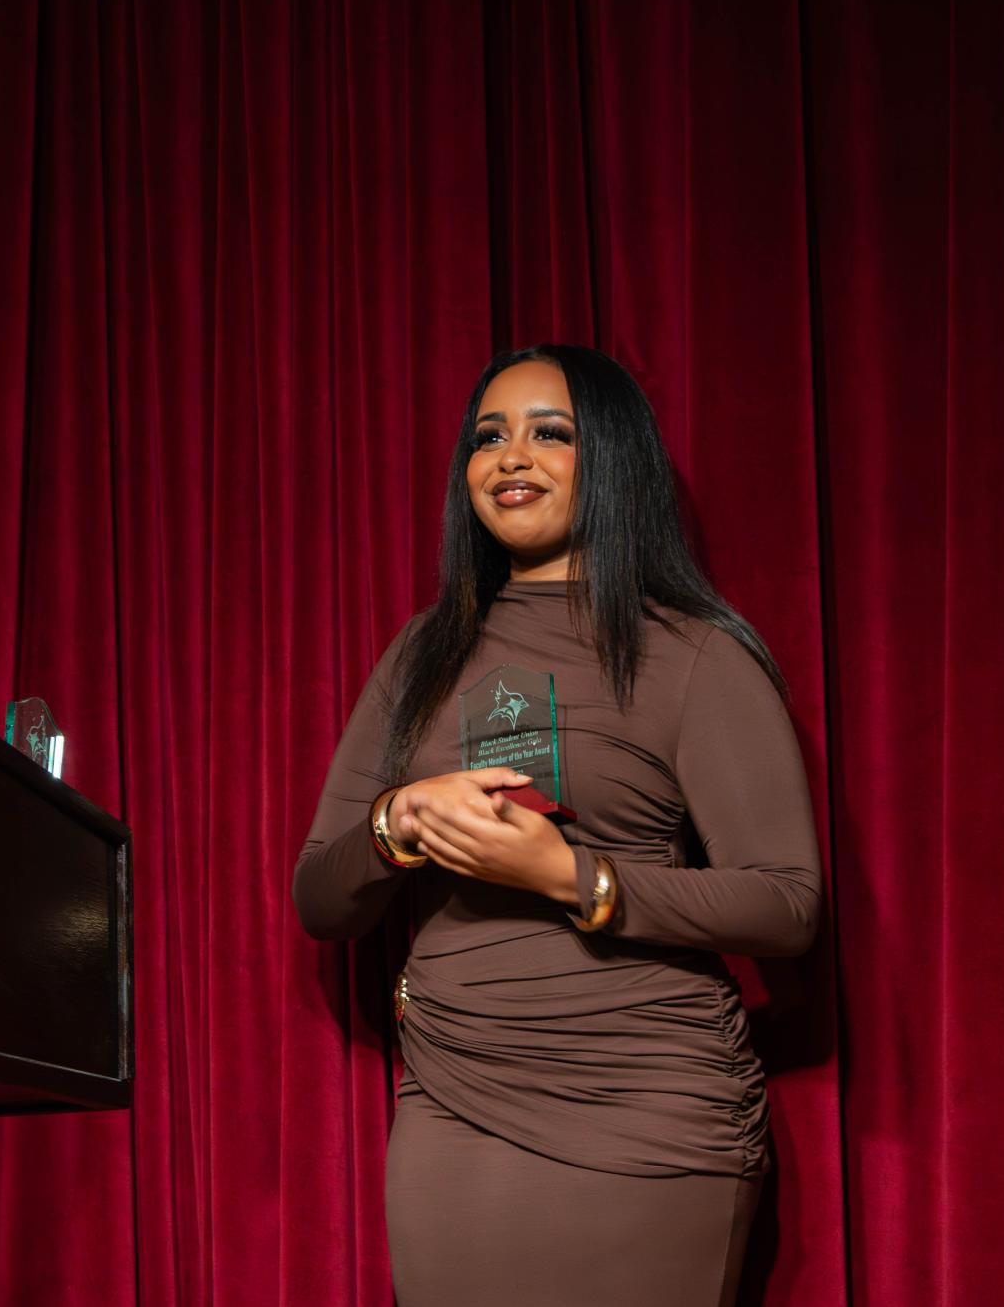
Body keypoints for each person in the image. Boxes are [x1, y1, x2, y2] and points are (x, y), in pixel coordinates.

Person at [292, 344, 820, 1306]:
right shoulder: (419, 653)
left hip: (648, 1110)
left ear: (611, 459)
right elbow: (319, 896)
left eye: (550, 432)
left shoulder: (693, 653)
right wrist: (395, 821)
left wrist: (571, 877)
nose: (509, 457)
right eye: (486, 437)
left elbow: (786, 905)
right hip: (455, 1100)